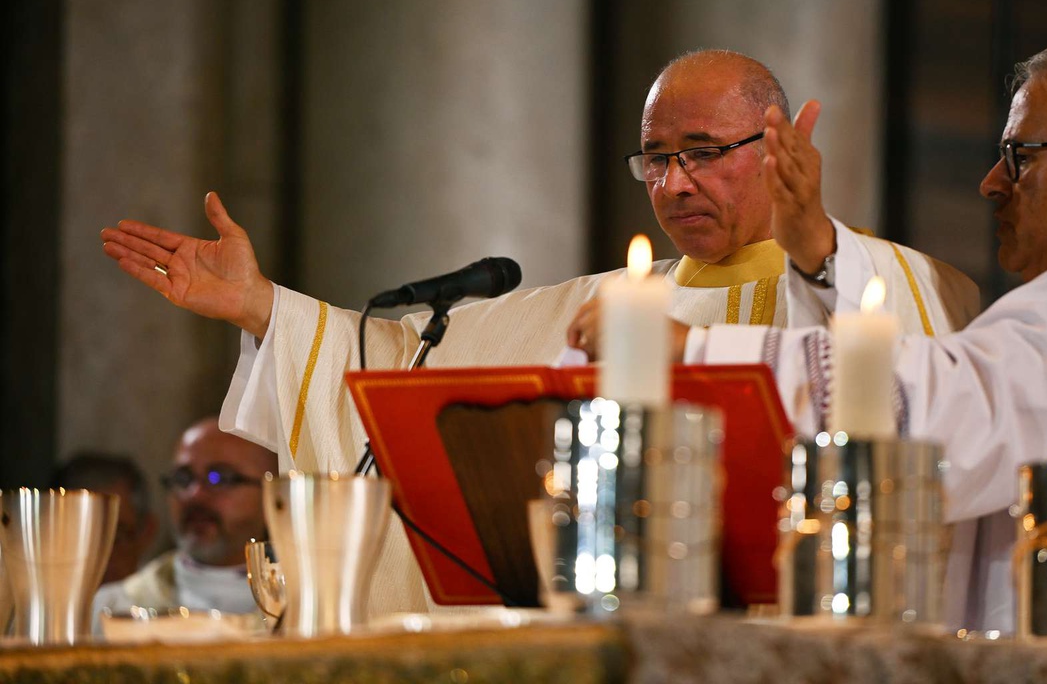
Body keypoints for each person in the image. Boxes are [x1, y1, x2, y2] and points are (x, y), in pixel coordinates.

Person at [99, 49, 980, 613]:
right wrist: (261, 307)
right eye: (655, 159)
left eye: (703, 152)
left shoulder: (873, 279)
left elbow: (913, 378)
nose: (673, 185)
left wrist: (817, 241)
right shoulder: (609, 306)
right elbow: (412, 371)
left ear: (779, 142)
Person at [684, 38, 1047, 652]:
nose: (991, 184)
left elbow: (943, 420)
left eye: (1020, 156)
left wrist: (690, 356)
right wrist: (823, 257)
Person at [92, 417, 277, 621]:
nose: (194, 495)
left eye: (220, 478)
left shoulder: (301, 607)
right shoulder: (113, 609)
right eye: (183, 478)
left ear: (273, 494)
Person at [52, 453, 159, 585]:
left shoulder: (165, 602)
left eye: (114, 538)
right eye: (80, 538)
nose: (97, 560)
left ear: (146, 533)